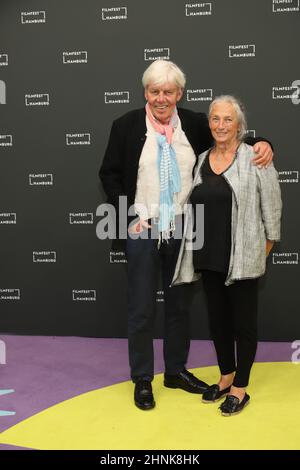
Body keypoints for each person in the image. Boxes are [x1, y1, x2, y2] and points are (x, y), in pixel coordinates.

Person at [99, 61, 273, 411]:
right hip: (143, 227)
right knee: (142, 307)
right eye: (154, 91)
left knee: (179, 305)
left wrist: (263, 142)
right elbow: (110, 174)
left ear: (179, 93)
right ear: (145, 92)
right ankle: (143, 378)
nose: (161, 98)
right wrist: (131, 214)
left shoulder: (194, 123)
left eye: (168, 92)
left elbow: (230, 137)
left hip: (185, 228)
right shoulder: (125, 126)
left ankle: (176, 371)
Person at [172, 95, 282, 416]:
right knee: (218, 322)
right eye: (215, 119)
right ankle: (225, 376)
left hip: (244, 258)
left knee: (243, 324)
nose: (221, 125)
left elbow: (272, 211)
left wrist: (262, 252)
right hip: (208, 256)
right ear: (210, 123)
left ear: (239, 125)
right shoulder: (202, 157)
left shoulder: (255, 158)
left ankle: (240, 387)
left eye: (228, 120)